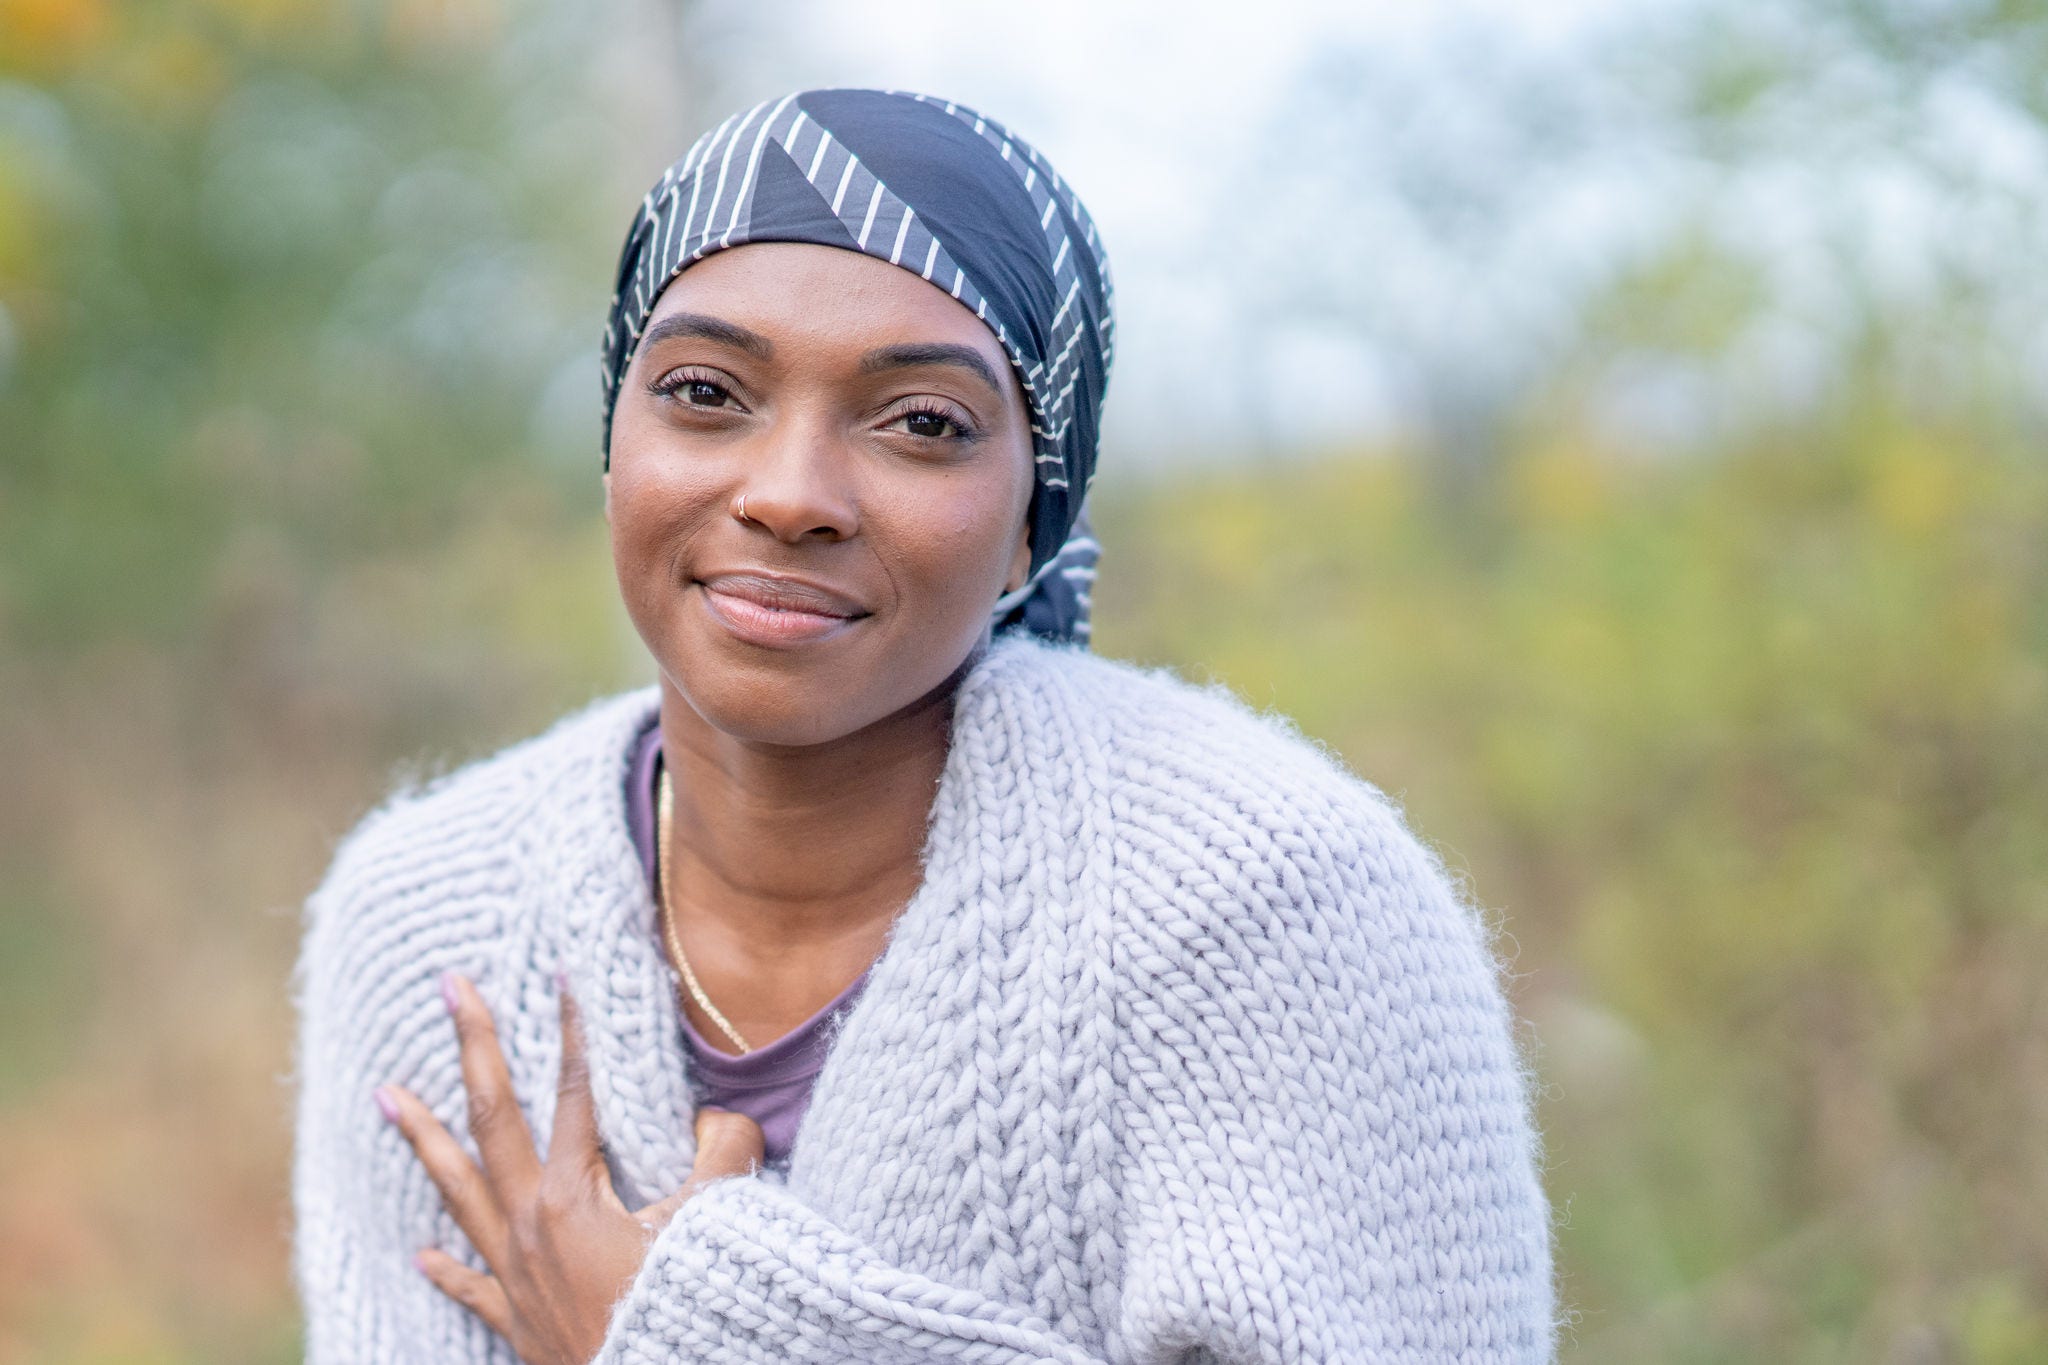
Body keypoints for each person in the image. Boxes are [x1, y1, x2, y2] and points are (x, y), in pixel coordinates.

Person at [289, 87, 1559, 1364]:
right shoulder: (428, 921)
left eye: (922, 425)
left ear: (1029, 521)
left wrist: (679, 1337)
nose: (789, 496)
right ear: (613, 442)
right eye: (703, 392)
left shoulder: (1268, 911)